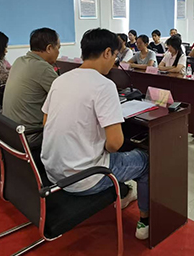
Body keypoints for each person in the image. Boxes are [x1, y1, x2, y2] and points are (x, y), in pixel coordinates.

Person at [41, 28, 149, 240]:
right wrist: (100, 145)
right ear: (107, 52)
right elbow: (115, 144)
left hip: (52, 173)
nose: (114, 61)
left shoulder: (60, 80)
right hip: (85, 180)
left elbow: (45, 122)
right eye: (115, 56)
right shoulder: (104, 85)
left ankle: (124, 192)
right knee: (146, 161)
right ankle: (145, 221)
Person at [2, 28, 60, 147]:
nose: (58, 52)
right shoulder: (42, 68)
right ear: (49, 48)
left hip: (10, 132)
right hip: (30, 136)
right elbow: (66, 97)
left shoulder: (19, 61)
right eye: (58, 48)